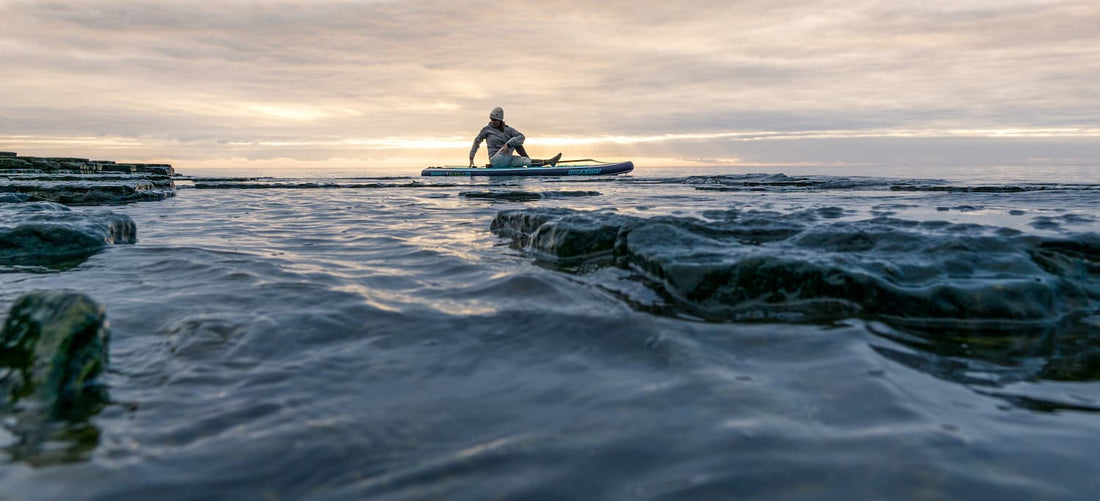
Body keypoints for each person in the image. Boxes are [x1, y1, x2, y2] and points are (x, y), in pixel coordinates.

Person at [469, 107, 562, 168]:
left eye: (495, 120)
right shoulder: (486, 130)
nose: (492, 122)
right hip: (496, 160)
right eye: (491, 119)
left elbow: (522, 137)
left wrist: (509, 144)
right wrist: (471, 157)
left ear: (500, 120)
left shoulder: (508, 129)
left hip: (507, 158)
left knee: (524, 157)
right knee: (514, 141)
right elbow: (477, 142)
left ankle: (549, 162)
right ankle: (528, 160)